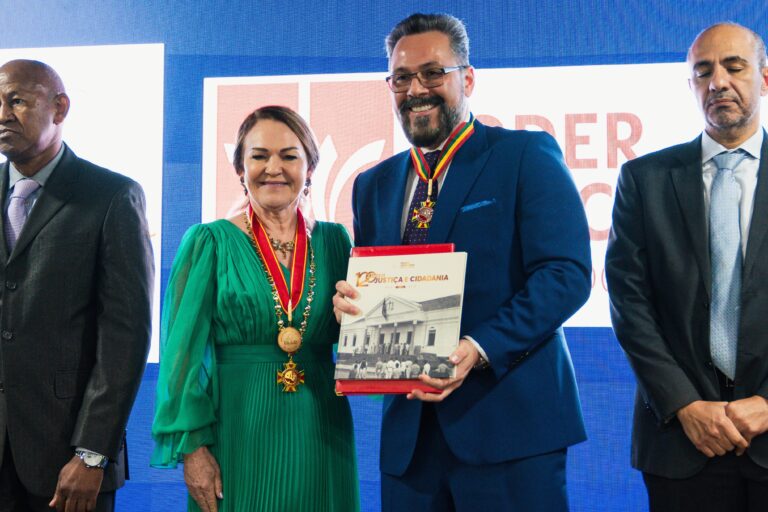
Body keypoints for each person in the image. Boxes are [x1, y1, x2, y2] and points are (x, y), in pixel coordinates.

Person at [333, 13, 591, 511]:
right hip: (411, 446)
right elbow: (374, 289)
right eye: (402, 78)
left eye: (433, 73)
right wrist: (350, 308)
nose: (416, 90)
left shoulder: (524, 155)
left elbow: (566, 275)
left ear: (467, 78)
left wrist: (479, 347)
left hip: (510, 432)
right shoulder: (373, 186)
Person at [152, 105, 359, 512]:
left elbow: (361, 345)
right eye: (259, 156)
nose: (273, 168)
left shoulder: (336, 243)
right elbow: (181, 360)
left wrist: (356, 322)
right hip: (238, 430)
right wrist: (193, 449)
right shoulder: (209, 242)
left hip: (322, 429)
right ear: (240, 169)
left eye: (289, 155)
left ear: (310, 167)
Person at [606, 22, 768, 512]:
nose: (717, 81)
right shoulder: (644, 179)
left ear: (764, 76)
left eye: (733, 66)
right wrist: (684, 405)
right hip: (681, 442)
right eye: (703, 71)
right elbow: (629, 303)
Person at [0, 60, 153, 512]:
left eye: (17, 100)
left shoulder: (111, 195)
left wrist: (92, 453)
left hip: (66, 462)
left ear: (60, 107)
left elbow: (125, 337)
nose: (3, 114)